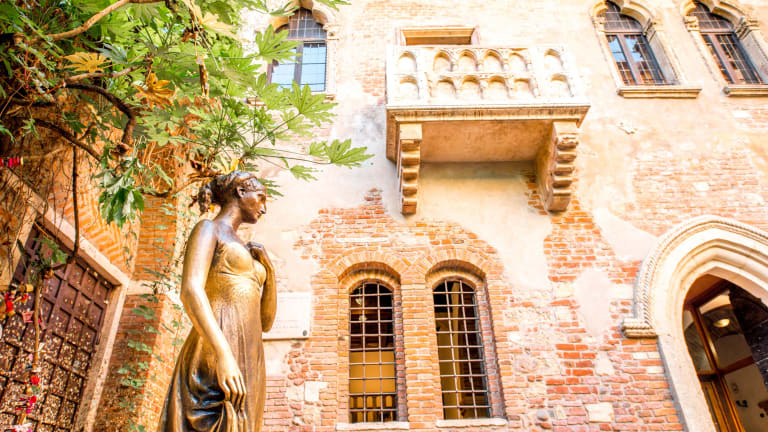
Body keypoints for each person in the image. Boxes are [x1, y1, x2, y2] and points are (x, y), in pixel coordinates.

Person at [158, 171, 277, 432]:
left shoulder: (249, 250)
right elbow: (191, 290)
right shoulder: (208, 229)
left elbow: (266, 322)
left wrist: (269, 271)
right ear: (240, 192)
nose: (264, 208)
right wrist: (223, 354)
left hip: (250, 354)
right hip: (216, 346)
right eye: (261, 198)